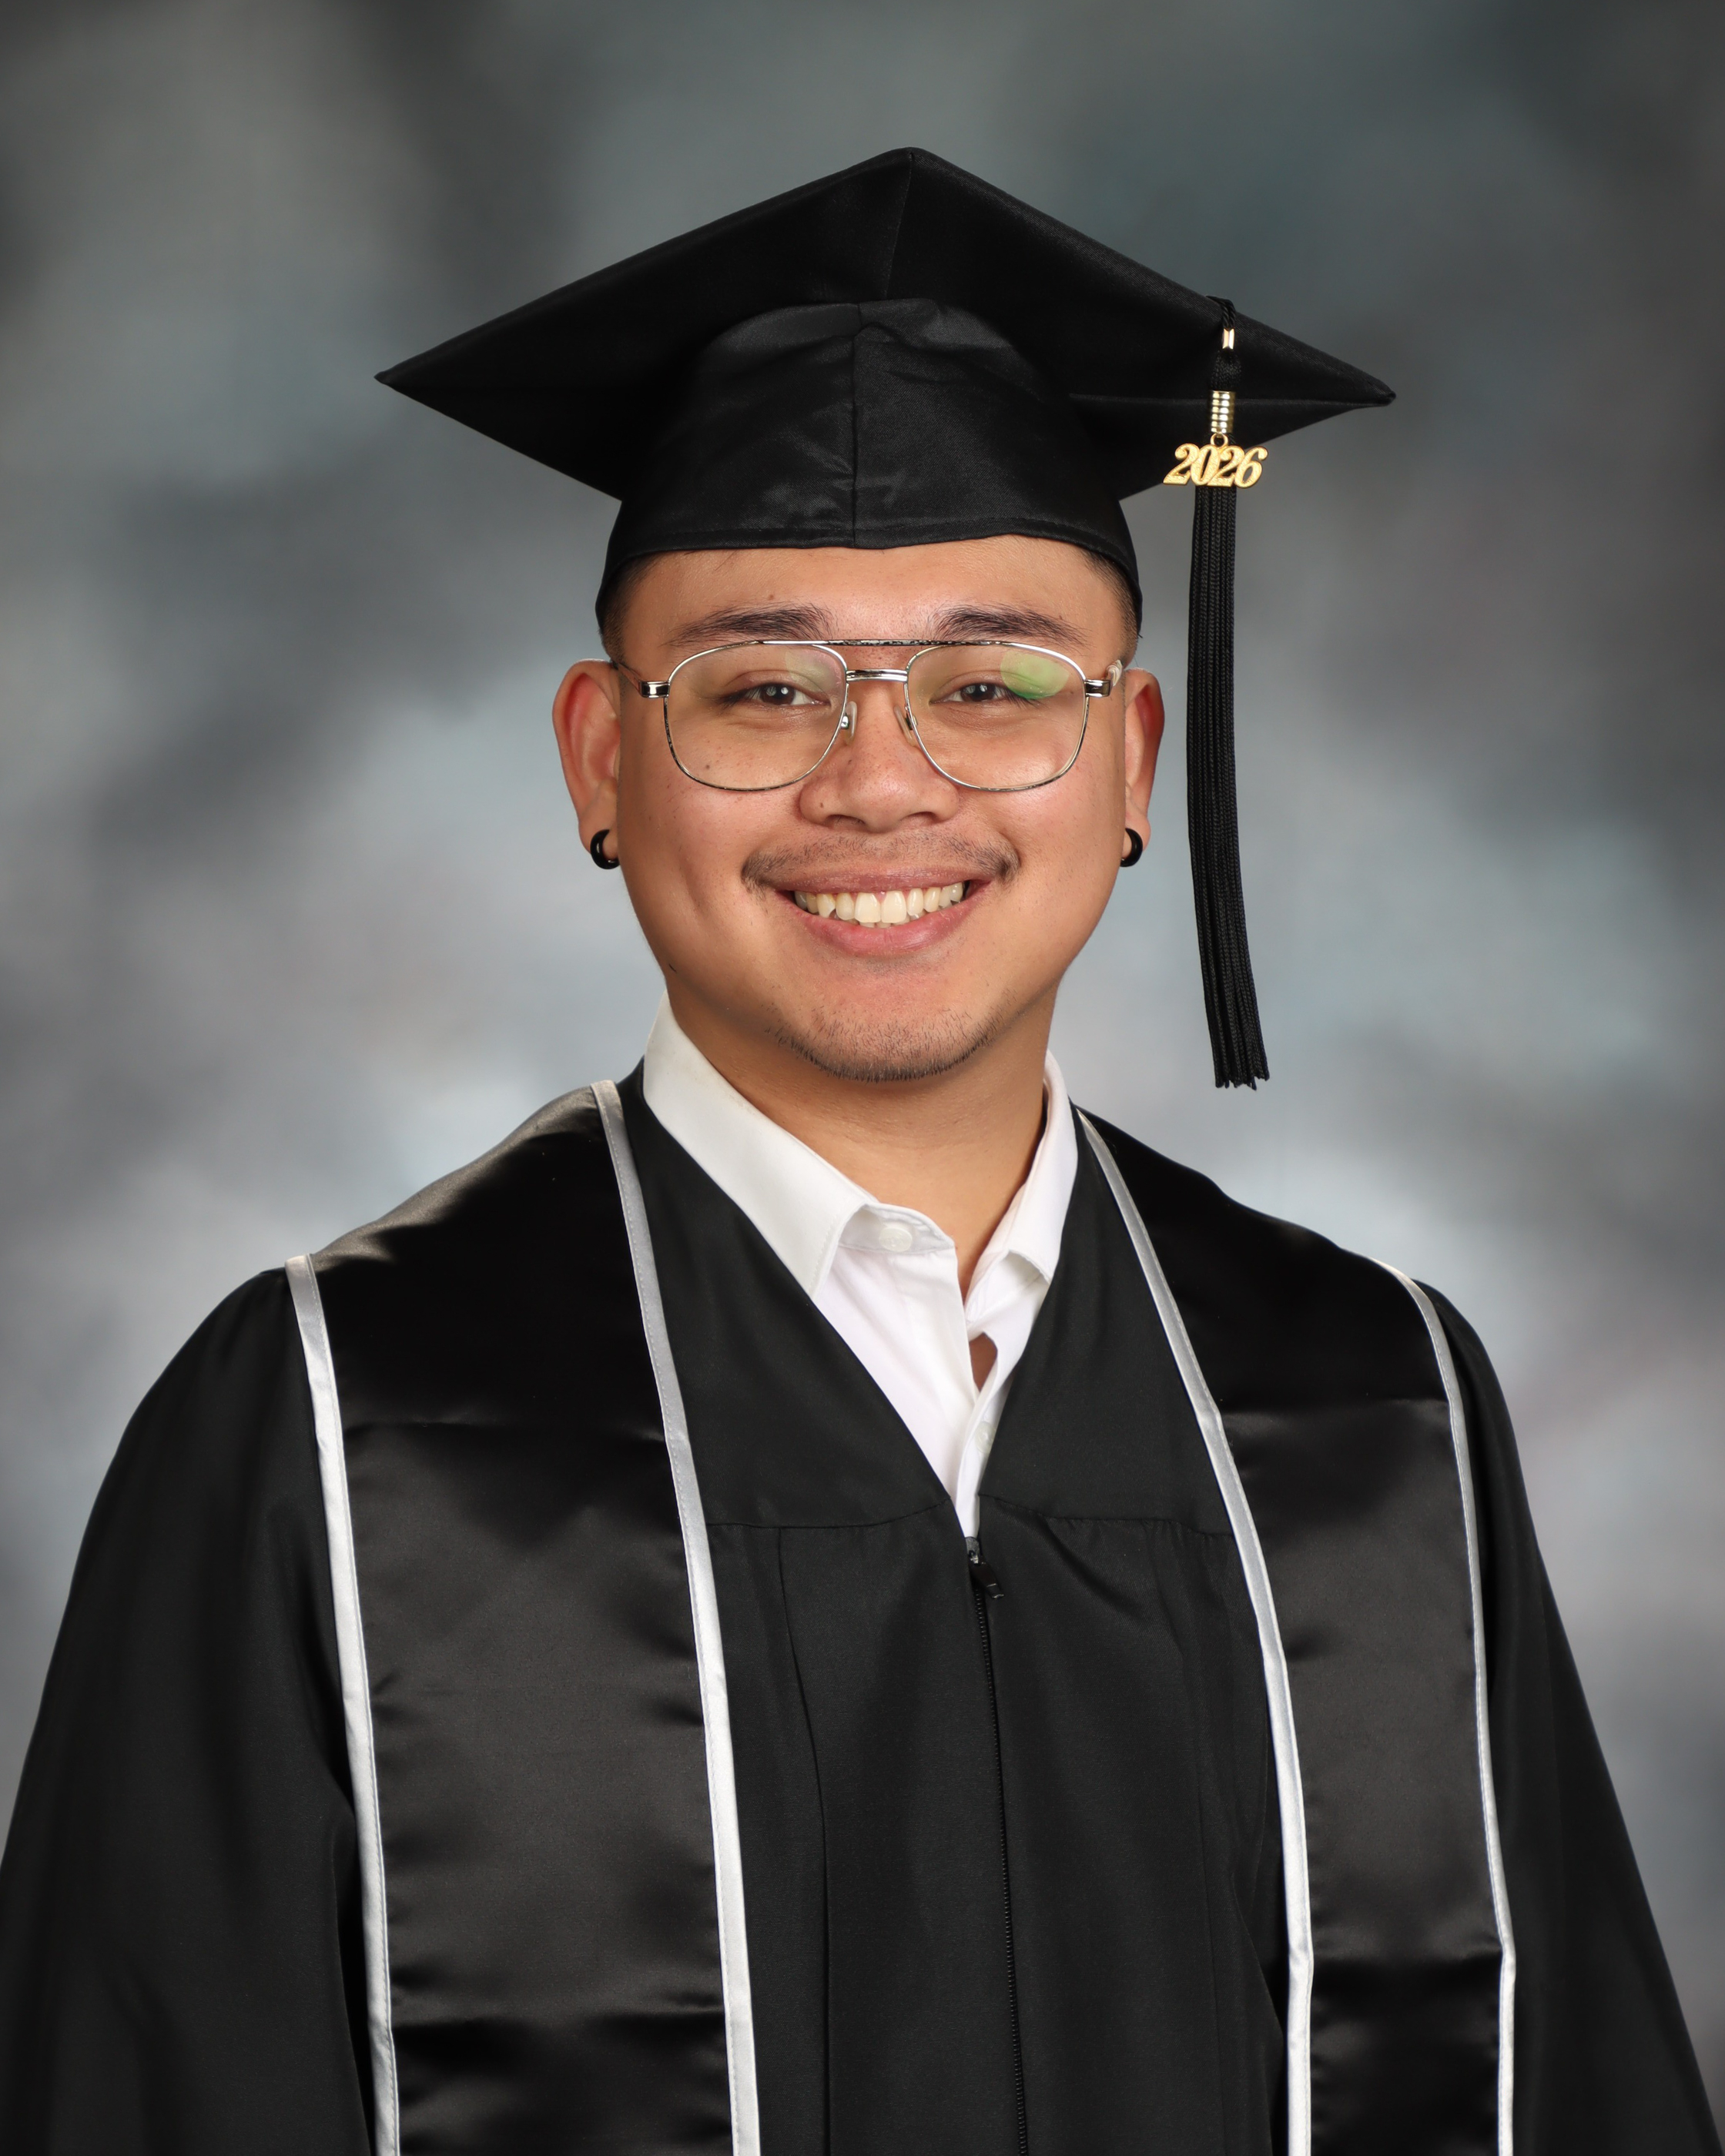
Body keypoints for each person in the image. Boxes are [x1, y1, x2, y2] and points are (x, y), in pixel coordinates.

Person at [0, 149, 1715, 2156]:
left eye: (993, 685)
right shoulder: (330, 1423)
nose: (882, 783)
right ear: (602, 761)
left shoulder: (1378, 1412)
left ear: (1134, 760)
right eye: (763, 688)